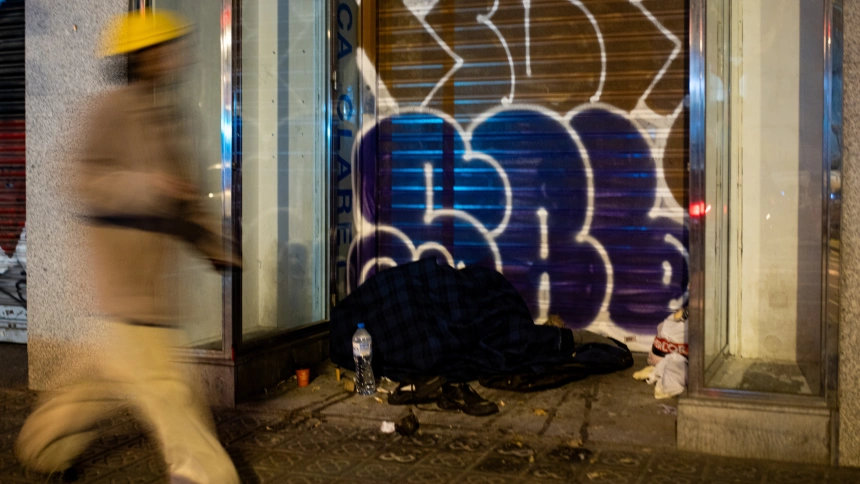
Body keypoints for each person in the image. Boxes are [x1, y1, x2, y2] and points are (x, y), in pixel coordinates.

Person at [14, 10, 240, 484]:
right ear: (140, 58)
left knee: (98, 382)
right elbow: (81, 179)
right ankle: (203, 475)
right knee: (171, 391)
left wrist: (212, 247)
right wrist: (145, 186)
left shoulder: (165, 115)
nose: (175, 56)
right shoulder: (110, 111)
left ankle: (44, 446)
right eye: (164, 48)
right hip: (125, 286)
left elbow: (184, 199)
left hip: (147, 291)